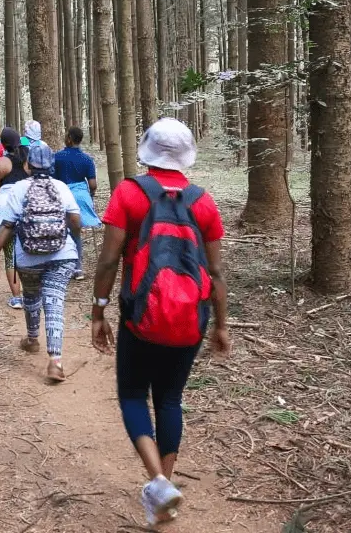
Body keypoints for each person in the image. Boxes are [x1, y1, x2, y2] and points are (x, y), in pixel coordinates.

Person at [90, 118, 231, 525]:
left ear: (147, 151)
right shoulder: (202, 202)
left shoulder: (129, 194)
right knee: (170, 399)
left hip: (140, 318)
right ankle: (163, 487)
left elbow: (109, 260)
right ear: (186, 155)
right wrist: (221, 325)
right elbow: (217, 273)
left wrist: (98, 312)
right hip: (191, 320)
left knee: (134, 395)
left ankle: (157, 482)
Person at [0, 144, 81, 382]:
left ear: (27, 166)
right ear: (51, 166)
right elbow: (76, 220)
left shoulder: (19, 188)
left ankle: (31, 339)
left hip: (28, 256)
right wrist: (61, 231)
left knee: (31, 296)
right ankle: (55, 362)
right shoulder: (61, 187)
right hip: (62, 255)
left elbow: (7, 226)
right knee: (54, 302)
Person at [0, 128, 28, 308]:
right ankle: (33, 294)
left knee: (11, 255)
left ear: (2, 143)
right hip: (27, 209)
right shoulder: (28, 160)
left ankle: (17, 297)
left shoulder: (0, 163)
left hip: (6, 211)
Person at [54, 127, 101, 280]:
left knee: (59, 231)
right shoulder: (87, 159)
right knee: (75, 233)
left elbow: (52, 180)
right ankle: (78, 268)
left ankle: (59, 266)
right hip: (80, 198)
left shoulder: (57, 157)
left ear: (69, 138)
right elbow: (93, 184)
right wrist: (90, 195)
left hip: (61, 196)